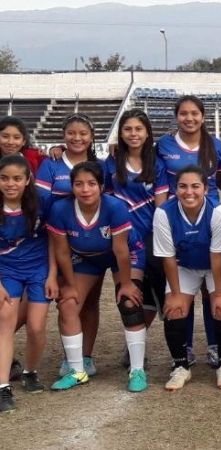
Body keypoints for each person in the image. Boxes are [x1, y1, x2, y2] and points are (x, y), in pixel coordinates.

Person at [47, 161, 147, 392]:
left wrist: (126, 283)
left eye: (91, 183)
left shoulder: (115, 207)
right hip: (87, 257)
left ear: (101, 186)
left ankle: (138, 370)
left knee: (129, 303)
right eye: (79, 184)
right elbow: (61, 251)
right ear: (72, 187)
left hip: (123, 254)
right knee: (68, 304)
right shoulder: (60, 209)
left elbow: (121, 250)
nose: (85, 189)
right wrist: (70, 286)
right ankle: (77, 370)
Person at [153, 165, 221, 391]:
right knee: (174, 308)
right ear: (175, 188)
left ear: (206, 188)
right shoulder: (163, 212)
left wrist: (219, 294)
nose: (188, 192)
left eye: (195, 186)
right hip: (186, 265)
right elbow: (168, 257)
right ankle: (181, 367)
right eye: (182, 186)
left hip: (220, 263)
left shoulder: (219, 212)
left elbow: (217, 254)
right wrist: (176, 293)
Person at [157, 95, 221, 367]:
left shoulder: (216, 146)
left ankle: (213, 345)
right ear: (177, 117)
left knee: (212, 289)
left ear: (203, 116)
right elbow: (159, 180)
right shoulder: (164, 145)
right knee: (179, 288)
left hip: (209, 221)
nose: (189, 118)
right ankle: (184, 347)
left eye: (194, 113)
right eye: (183, 113)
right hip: (178, 218)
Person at [36, 114, 103, 378]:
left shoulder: (100, 165)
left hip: (92, 242)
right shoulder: (51, 164)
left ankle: (86, 357)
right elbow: (41, 203)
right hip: (58, 240)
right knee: (68, 299)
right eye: (71, 133)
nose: (77, 138)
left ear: (91, 136)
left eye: (83, 133)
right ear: (63, 136)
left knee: (90, 302)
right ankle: (70, 357)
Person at [103, 109, 168, 345]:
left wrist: (159, 242)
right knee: (129, 300)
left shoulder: (157, 164)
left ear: (148, 132)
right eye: (128, 129)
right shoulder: (111, 163)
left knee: (160, 296)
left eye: (139, 129)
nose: (133, 134)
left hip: (151, 241)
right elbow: (106, 204)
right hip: (124, 241)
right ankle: (135, 352)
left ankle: (180, 352)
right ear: (120, 133)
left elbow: (161, 209)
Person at [0, 155, 57, 413]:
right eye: (4, 178)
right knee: (5, 323)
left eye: (16, 178)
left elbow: (56, 240)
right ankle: (2, 388)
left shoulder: (42, 202)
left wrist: (53, 274)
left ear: (27, 180)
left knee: (35, 327)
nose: (10, 184)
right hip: (6, 271)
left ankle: (30, 371)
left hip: (38, 269)